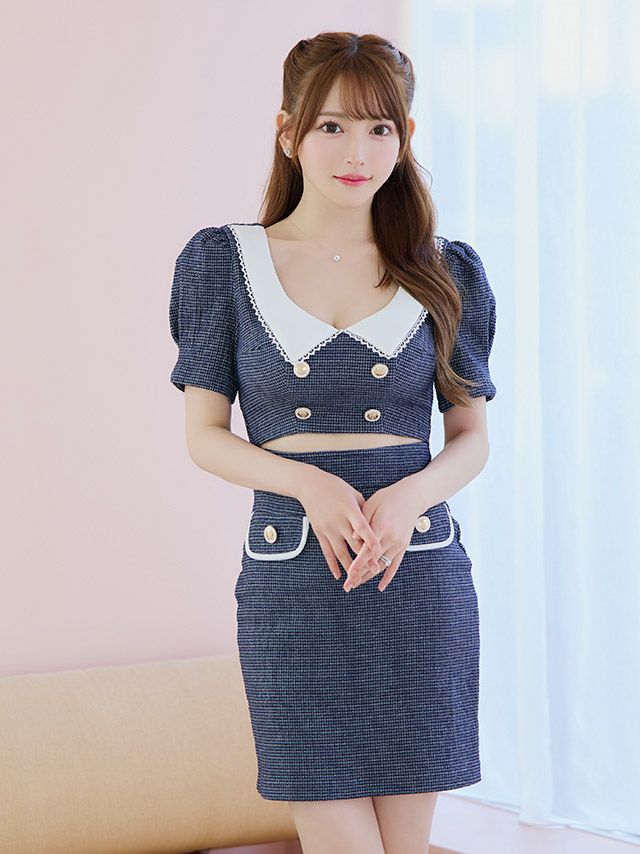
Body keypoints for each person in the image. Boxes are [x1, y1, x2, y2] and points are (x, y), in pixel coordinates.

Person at [169, 31, 497, 854]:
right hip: (295, 588)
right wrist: (309, 484)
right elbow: (205, 437)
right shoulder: (224, 264)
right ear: (289, 132)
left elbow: (470, 438)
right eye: (332, 126)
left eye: (380, 128)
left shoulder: (446, 270)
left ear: (406, 136)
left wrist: (411, 495)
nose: (358, 152)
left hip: (416, 577)